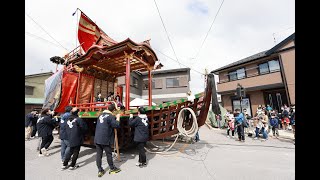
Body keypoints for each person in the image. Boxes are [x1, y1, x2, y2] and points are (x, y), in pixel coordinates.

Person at [94, 104, 121, 177]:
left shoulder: (100, 115)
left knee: (98, 155)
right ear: (113, 110)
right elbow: (116, 125)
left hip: (97, 138)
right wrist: (118, 118)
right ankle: (112, 168)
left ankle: (100, 170)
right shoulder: (111, 116)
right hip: (105, 138)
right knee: (108, 154)